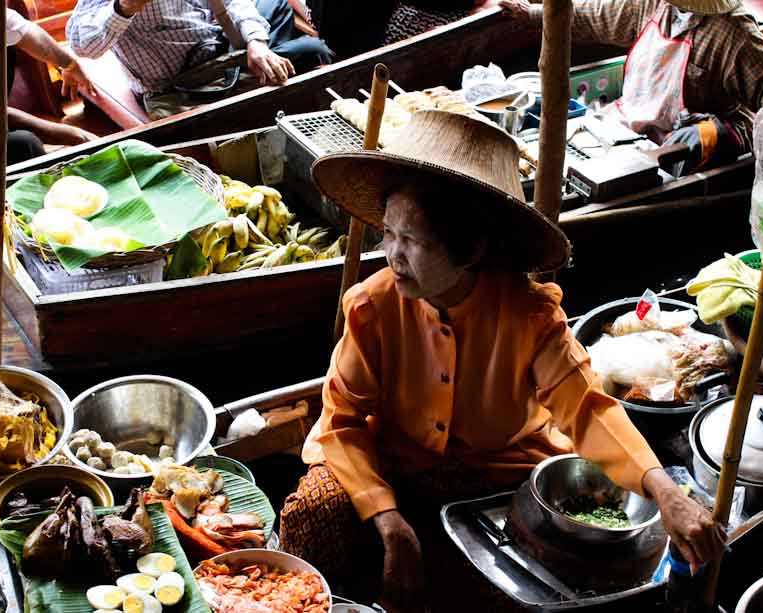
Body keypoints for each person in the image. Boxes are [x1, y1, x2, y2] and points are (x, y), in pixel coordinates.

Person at [279, 109, 725, 612]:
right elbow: (341, 423)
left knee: (529, 583)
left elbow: (588, 410)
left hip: (496, 472)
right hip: (391, 460)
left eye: (412, 241)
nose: (392, 255)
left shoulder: (529, 316)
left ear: (471, 250)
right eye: (388, 233)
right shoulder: (372, 306)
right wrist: (386, 517)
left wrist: (665, 492)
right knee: (314, 512)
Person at [499, 0, 763, 176]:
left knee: (700, 140)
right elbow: (590, 15)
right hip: (631, 124)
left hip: (687, 141)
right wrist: (530, 13)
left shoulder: (733, 32)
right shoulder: (652, 6)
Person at [66, 0, 333, 116]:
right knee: (313, 50)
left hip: (217, 43)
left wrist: (256, 43)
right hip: (186, 80)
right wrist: (124, 8)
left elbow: (233, 3)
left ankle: (264, 55)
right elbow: (82, 45)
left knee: (273, 5)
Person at [0, 2, 96, 188]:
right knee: (25, 147)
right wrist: (75, 136)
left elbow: (22, 30)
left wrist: (68, 64)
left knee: (1, 39)